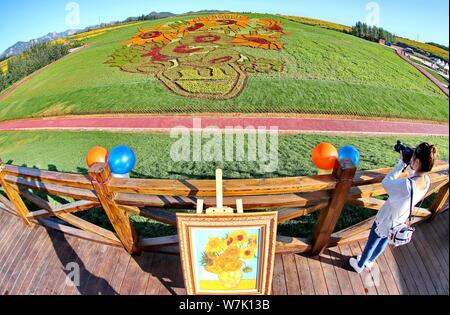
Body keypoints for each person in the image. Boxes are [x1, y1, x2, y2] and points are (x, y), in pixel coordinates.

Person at [349, 143, 438, 273]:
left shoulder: (406, 185)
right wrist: (410, 161)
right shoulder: (426, 180)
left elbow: (386, 183)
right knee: (384, 241)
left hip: (386, 218)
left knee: (372, 242)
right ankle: (370, 261)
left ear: (417, 162)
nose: (411, 159)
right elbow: (414, 174)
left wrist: (401, 163)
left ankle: (360, 265)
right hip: (399, 220)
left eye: (413, 157)